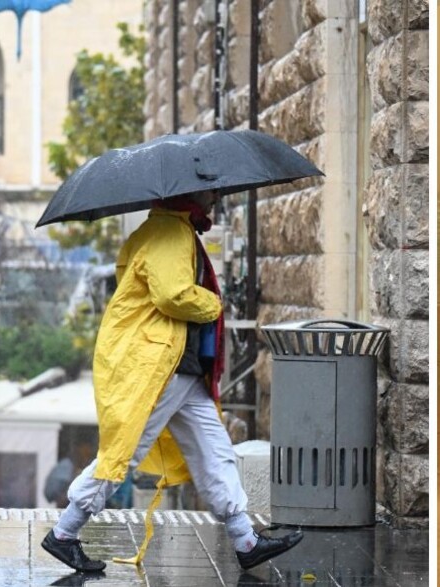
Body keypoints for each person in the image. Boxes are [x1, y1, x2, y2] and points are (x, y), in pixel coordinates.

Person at [41, 189, 303, 572]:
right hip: (160, 366)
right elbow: (171, 295)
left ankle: (245, 539)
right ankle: (64, 533)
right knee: (123, 452)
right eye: (208, 191)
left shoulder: (164, 229)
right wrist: (214, 304)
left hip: (180, 366)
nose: (214, 196)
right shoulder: (169, 232)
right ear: (189, 195)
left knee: (214, 451)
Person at [44, 440, 96, 508]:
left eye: (88, 455)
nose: (86, 458)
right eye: (85, 454)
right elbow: (52, 493)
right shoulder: (65, 466)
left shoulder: (81, 469)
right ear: (77, 450)